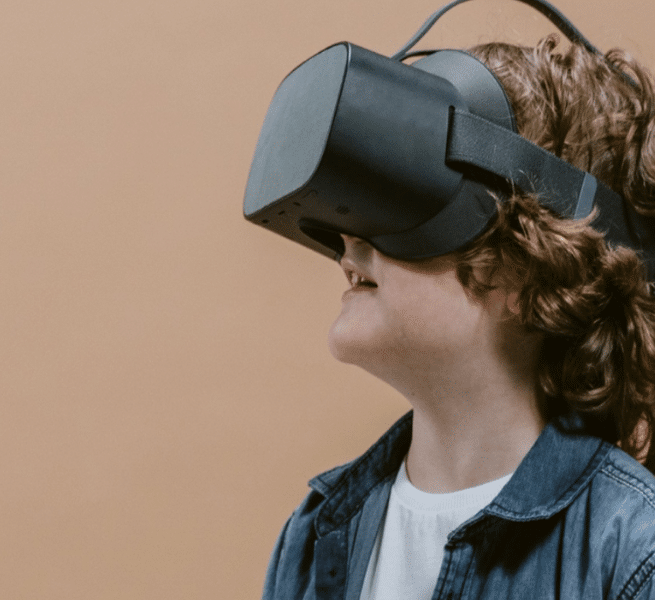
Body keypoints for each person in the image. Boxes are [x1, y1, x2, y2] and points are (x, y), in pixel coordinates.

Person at [261, 34, 655, 600]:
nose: (348, 239)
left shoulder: (632, 552)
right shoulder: (313, 534)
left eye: (402, 197)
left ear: (536, 268)